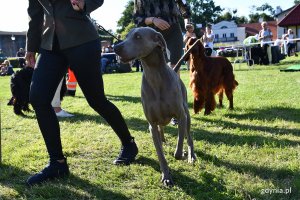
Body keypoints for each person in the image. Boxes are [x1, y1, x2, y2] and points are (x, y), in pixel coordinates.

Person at [25, 0, 138, 186]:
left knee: (96, 100)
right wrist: (31, 45)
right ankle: (57, 163)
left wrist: (85, 3)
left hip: (82, 40)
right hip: (49, 44)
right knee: (38, 98)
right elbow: (35, 13)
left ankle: (128, 144)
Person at [133, 0, 191, 126]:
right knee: (155, 69)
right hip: (151, 34)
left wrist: (188, 24)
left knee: (174, 67)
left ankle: (177, 108)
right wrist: (153, 20)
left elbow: (186, 9)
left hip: (173, 30)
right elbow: (137, 19)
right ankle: (159, 106)